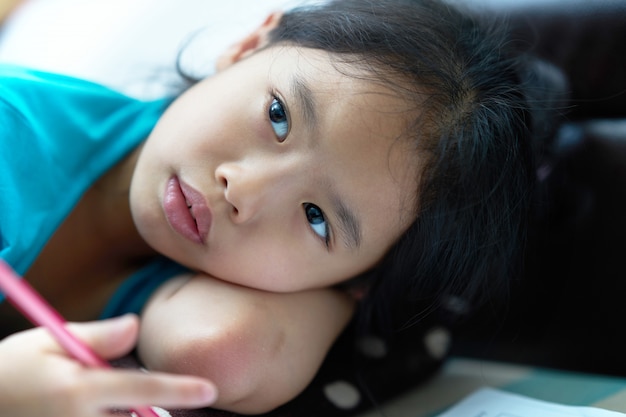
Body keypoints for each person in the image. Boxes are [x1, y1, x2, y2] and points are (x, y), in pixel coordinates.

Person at [0, 0, 543, 415]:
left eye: (316, 218)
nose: (244, 191)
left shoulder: (210, 273)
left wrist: (338, 299)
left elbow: (218, 351)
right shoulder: (10, 130)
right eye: (279, 116)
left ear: (355, 282)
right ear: (248, 46)